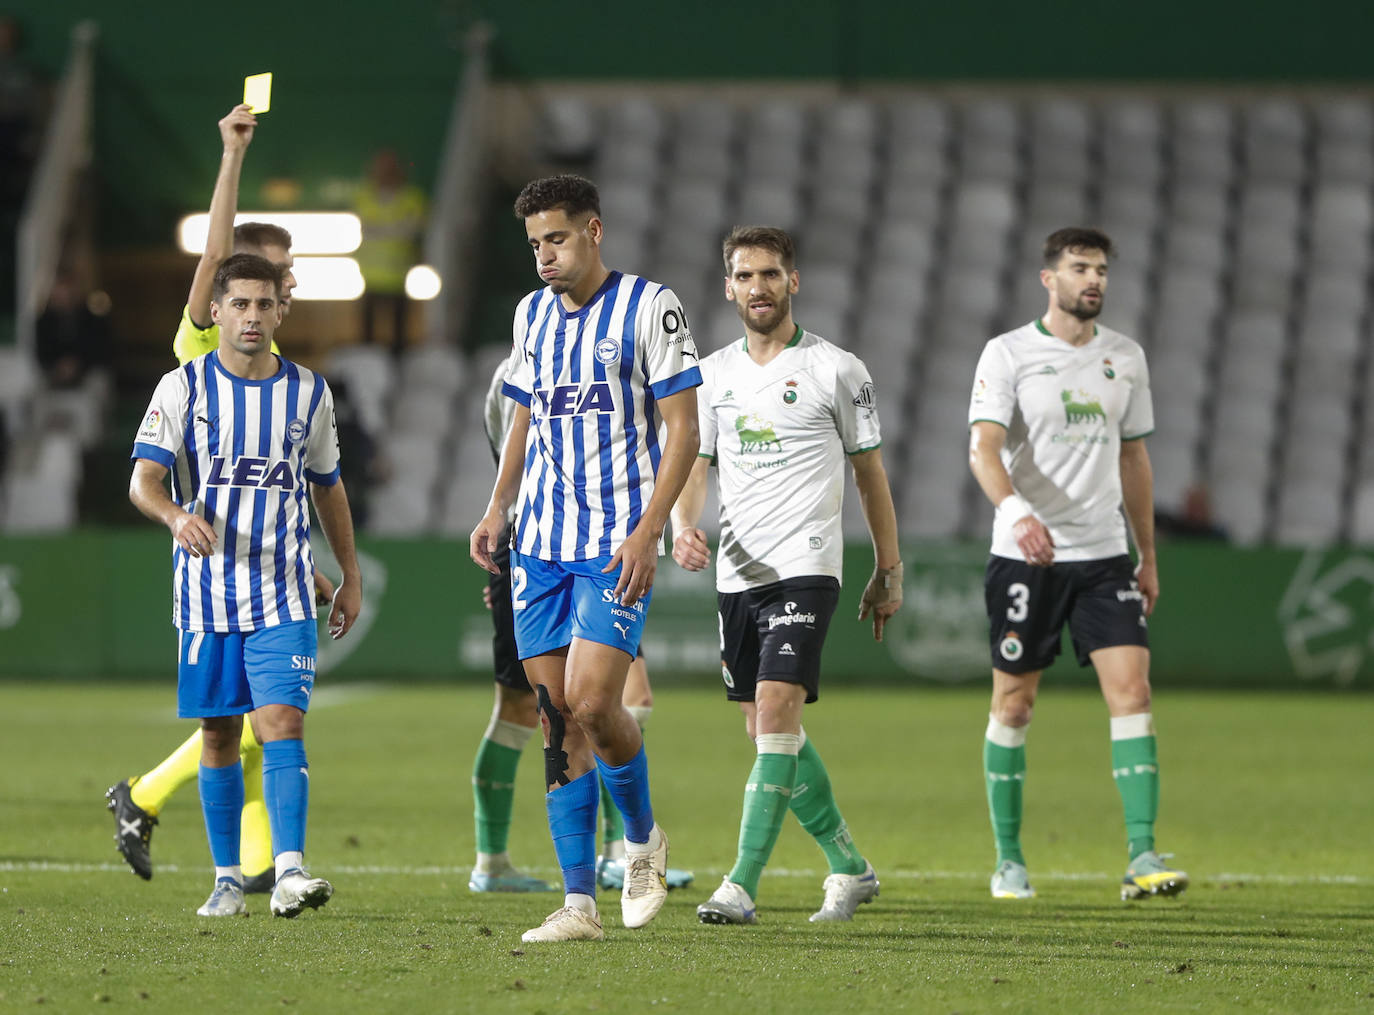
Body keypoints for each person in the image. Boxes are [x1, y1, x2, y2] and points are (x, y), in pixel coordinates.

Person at [469, 174, 701, 942]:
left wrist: (650, 529)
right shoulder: (531, 314)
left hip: (613, 544)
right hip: (539, 545)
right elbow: (522, 420)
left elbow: (684, 431)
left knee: (597, 703)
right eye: (534, 242)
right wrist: (498, 505)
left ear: (594, 230)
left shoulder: (650, 307)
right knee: (555, 716)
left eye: (557, 239)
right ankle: (578, 904)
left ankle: (641, 841)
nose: (543, 255)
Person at [106, 104, 321, 898]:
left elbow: (305, 480)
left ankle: (268, 865)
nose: (281, 286)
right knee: (231, 728)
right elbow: (214, 253)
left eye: (283, 280)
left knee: (271, 726)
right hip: (211, 585)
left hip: (276, 578)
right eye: (271, 272)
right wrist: (232, 155)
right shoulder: (199, 350)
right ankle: (237, 858)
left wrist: (319, 569)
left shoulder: (290, 377)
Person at [670, 225, 902, 926]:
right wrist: (685, 524)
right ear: (728, 286)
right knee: (770, 730)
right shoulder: (711, 375)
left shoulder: (838, 369)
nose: (759, 287)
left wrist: (888, 566)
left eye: (771, 274)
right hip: (738, 574)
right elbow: (695, 466)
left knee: (775, 709)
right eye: (746, 276)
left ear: (793, 281)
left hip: (806, 565)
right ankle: (850, 866)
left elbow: (870, 475)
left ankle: (740, 883)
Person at [129, 253, 362, 918]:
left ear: (281, 311)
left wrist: (349, 573)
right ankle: (228, 878)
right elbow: (143, 482)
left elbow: (328, 487)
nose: (253, 316)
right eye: (241, 304)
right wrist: (175, 515)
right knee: (219, 735)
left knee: (283, 722)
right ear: (220, 311)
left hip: (284, 591)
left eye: (265, 304)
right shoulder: (183, 387)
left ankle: (289, 869)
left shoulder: (309, 393)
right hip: (205, 596)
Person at [966, 226, 1187, 902]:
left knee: (1133, 694)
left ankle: (1142, 853)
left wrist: (1146, 552)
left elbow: (1134, 459)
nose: (1093, 280)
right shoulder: (1008, 353)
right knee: (1016, 701)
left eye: (1100, 270)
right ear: (1048, 279)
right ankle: (1008, 859)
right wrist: (1017, 514)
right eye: (1079, 268)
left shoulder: (1126, 357)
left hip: (1102, 556)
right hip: (1026, 557)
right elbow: (984, 448)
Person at [470, 347, 693, 894]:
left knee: (609, 700)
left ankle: (626, 849)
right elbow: (513, 459)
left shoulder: (626, 353)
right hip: (534, 551)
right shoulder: (515, 371)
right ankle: (493, 858)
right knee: (531, 710)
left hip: (605, 549)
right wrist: (504, 541)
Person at [352, 148, 427, 352]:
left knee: (399, 337)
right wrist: (393, 229)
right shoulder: (364, 196)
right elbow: (366, 226)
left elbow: (412, 229)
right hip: (370, 277)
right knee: (366, 336)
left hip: (399, 276)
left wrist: (382, 229)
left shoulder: (412, 198)